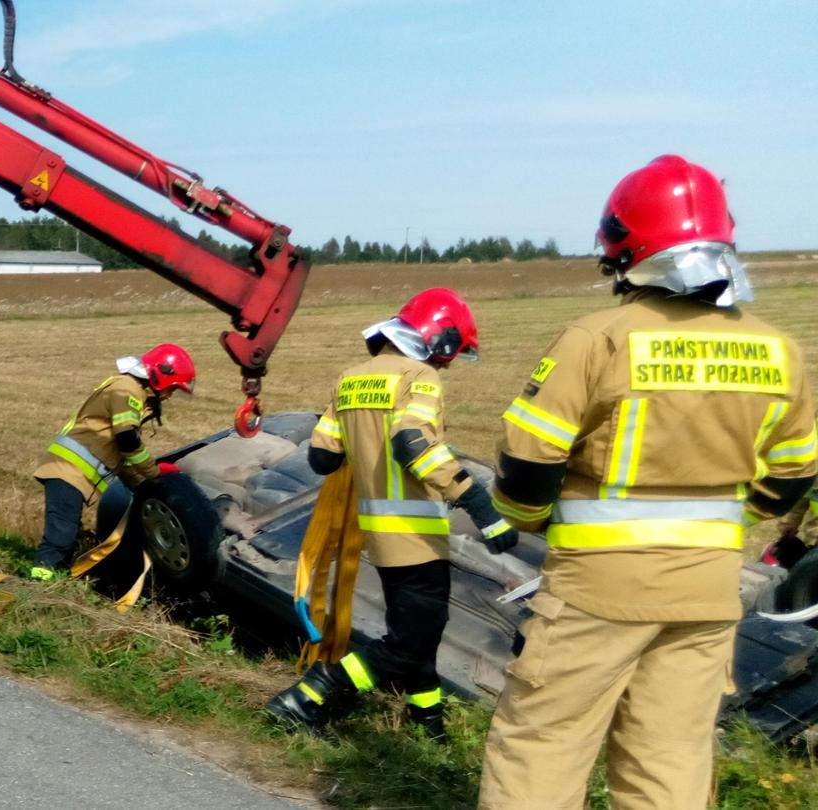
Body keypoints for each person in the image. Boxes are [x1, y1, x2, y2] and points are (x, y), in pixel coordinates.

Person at [478, 155, 818, 809]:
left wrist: (524, 518)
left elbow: (527, 468)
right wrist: (733, 525)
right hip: (707, 592)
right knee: (668, 760)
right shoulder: (779, 350)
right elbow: (797, 471)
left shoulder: (597, 339)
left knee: (542, 746)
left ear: (622, 251)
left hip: (597, 591)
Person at [264, 288, 518, 743]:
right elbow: (413, 445)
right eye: (451, 354)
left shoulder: (350, 378)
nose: (448, 365)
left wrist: (365, 441)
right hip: (414, 537)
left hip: (378, 536)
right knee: (405, 647)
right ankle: (308, 697)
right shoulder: (419, 376)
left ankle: (429, 726)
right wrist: (480, 506)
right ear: (438, 340)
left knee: (418, 636)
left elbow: (322, 457)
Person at [28, 343, 192, 581]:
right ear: (161, 376)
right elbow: (128, 442)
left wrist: (143, 485)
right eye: (172, 388)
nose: (169, 396)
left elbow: (120, 457)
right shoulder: (127, 391)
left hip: (71, 472)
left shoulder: (131, 392)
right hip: (67, 470)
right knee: (61, 534)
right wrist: (154, 473)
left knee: (69, 533)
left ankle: (54, 581)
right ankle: (38, 586)